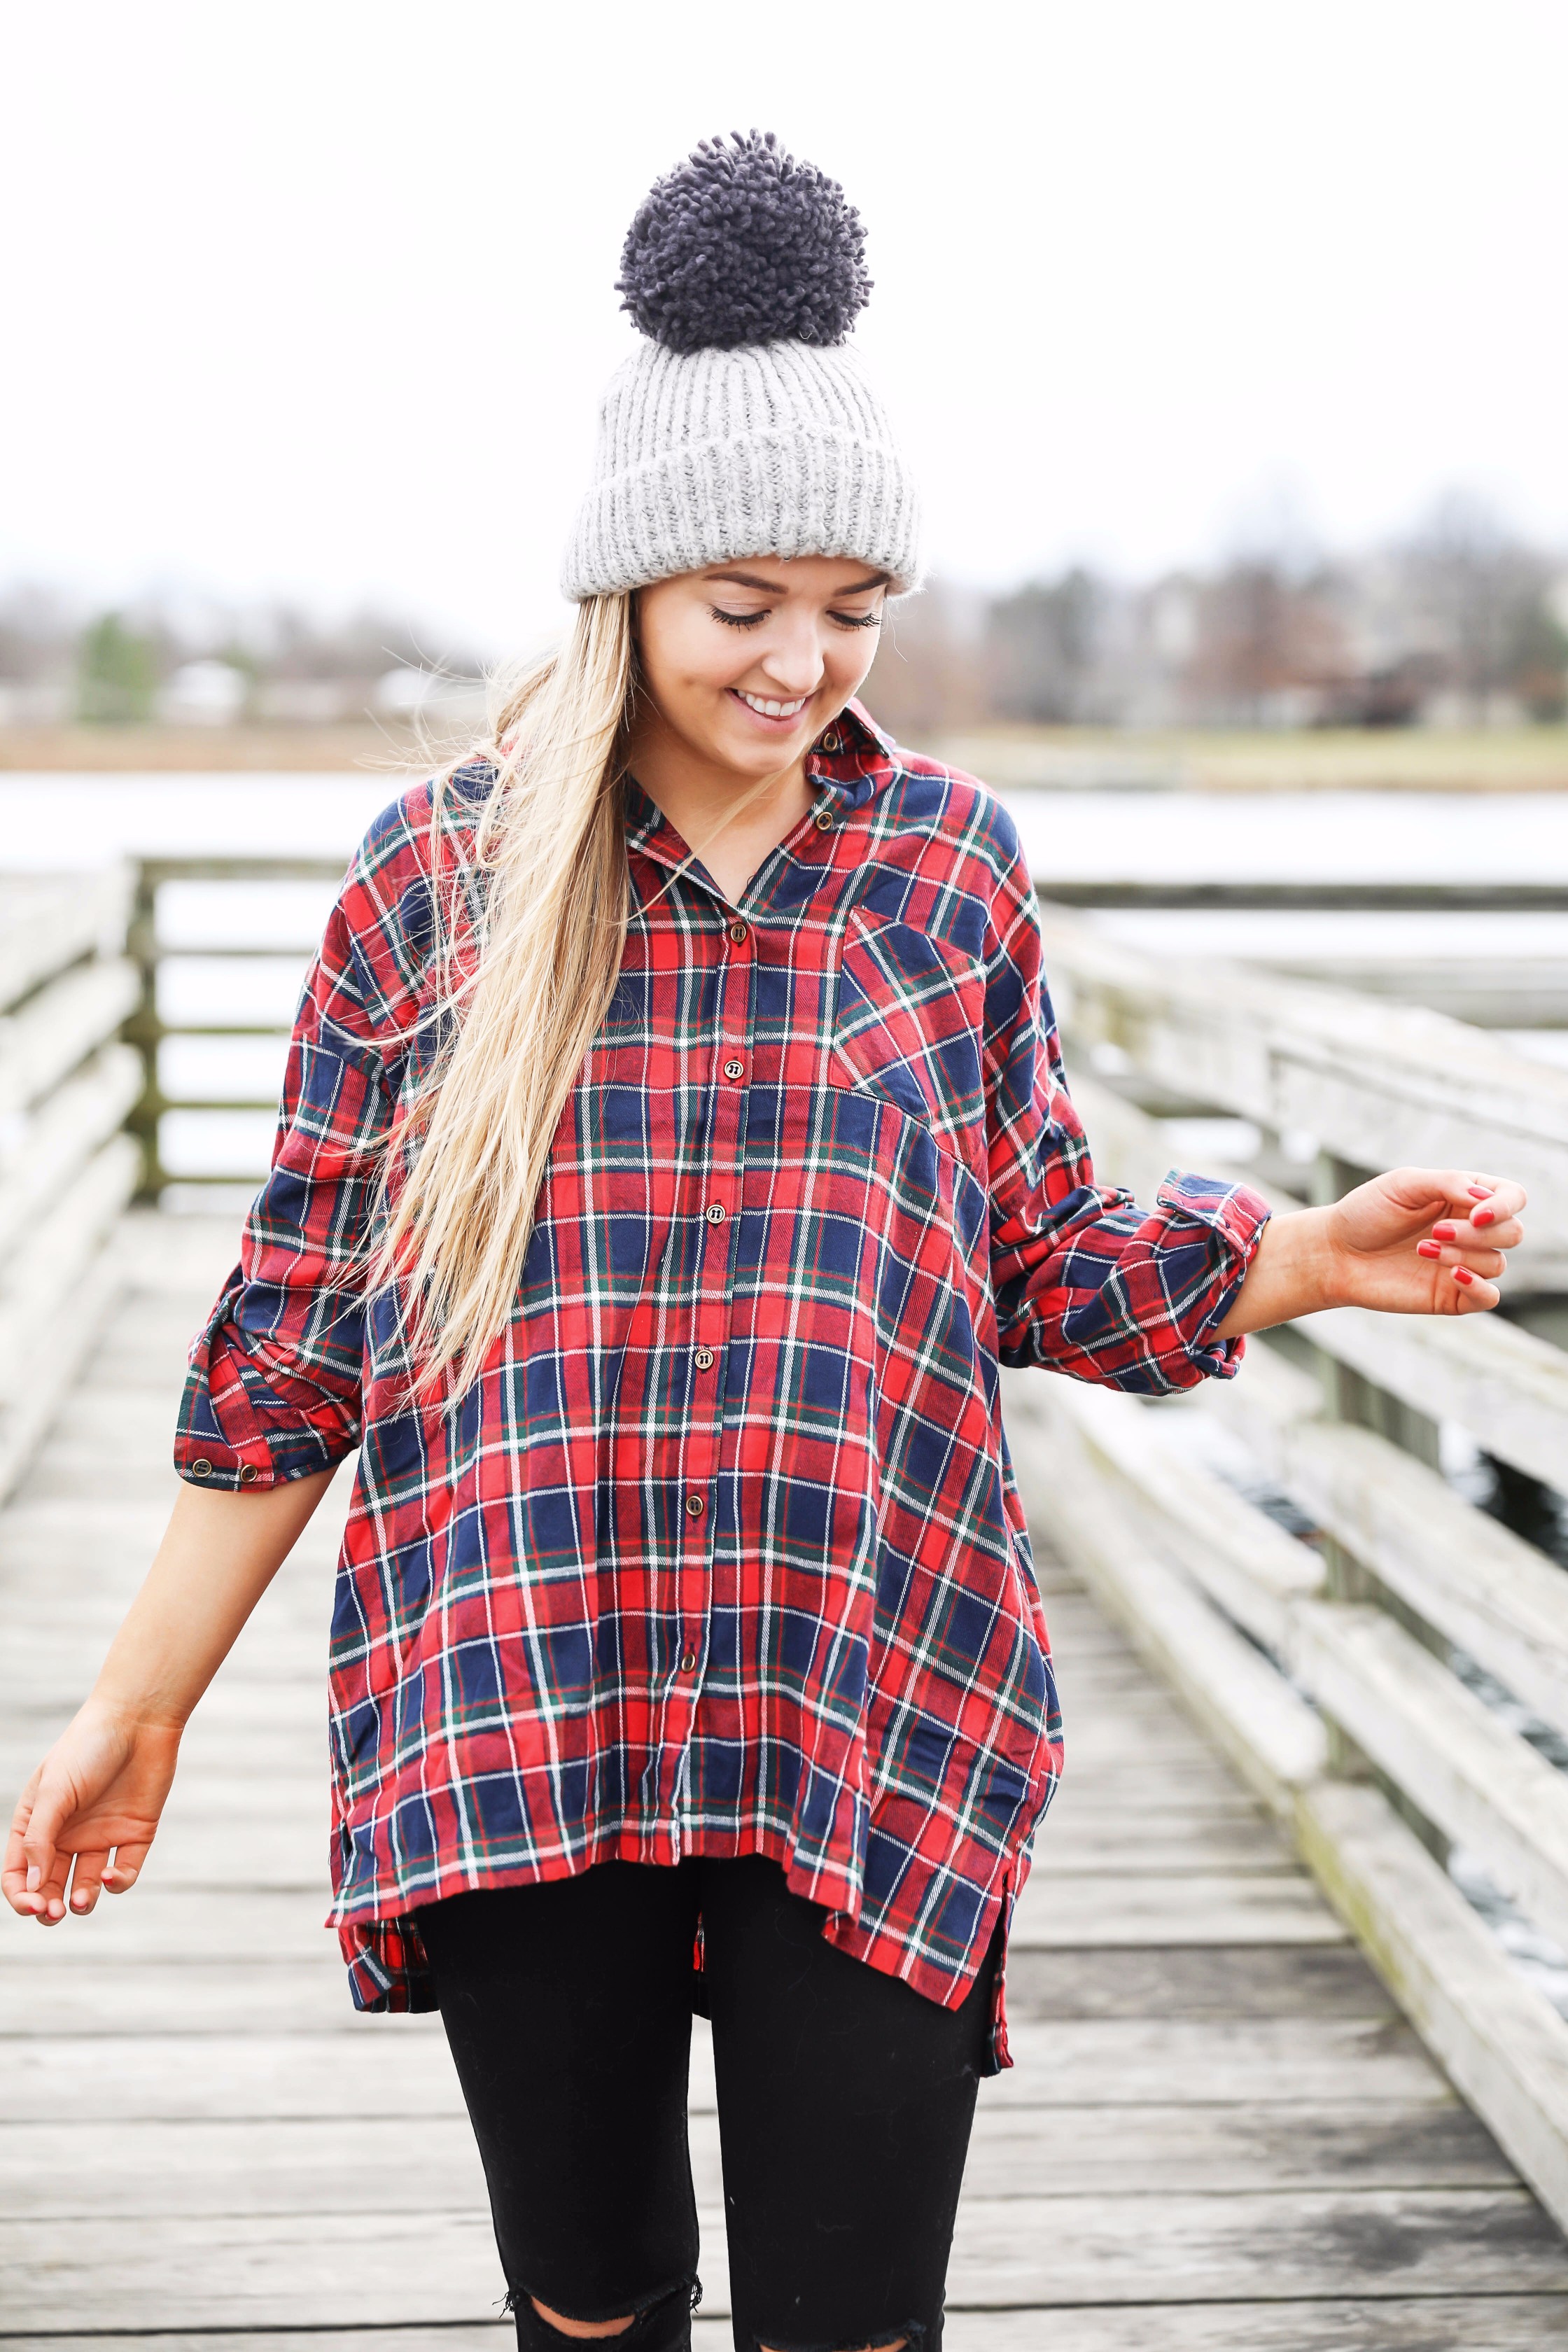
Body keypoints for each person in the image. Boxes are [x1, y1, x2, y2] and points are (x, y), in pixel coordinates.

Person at [4, 134, 1529, 2352]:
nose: (803, 660)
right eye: (745, 607)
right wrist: (133, 1708)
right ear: (627, 587)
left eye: (854, 607)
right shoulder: (431, 888)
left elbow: (1035, 1251)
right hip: (519, 1692)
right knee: (594, 2301)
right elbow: (297, 1349)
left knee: (853, 2320)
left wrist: (1300, 1252)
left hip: (871, 1691)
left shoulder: (942, 873)